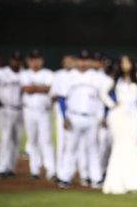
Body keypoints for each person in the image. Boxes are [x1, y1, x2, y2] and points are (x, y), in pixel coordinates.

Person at [57, 50, 104, 189]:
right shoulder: (69, 77)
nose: (83, 62)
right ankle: (65, 178)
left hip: (92, 117)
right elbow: (62, 98)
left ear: (89, 61)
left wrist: (102, 116)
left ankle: (97, 178)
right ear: (76, 61)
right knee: (71, 149)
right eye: (81, 59)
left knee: (93, 149)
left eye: (86, 59)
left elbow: (104, 96)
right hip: (74, 116)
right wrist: (65, 116)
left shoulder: (97, 77)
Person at [100, 54, 137, 194]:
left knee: (132, 145)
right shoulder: (115, 79)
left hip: (133, 117)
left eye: (128, 62)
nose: (125, 65)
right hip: (118, 116)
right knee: (118, 146)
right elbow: (102, 92)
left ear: (132, 64)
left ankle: (133, 182)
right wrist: (112, 105)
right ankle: (116, 183)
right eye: (123, 63)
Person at [0, 51, 23, 178]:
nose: (16, 62)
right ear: (10, 60)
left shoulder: (24, 74)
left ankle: (11, 168)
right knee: (5, 139)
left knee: (16, 140)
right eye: (14, 59)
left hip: (20, 110)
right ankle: (1, 168)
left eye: (18, 60)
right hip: (5, 109)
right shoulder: (1, 73)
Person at [20, 50, 56, 180]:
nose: (35, 61)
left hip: (44, 112)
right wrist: (41, 88)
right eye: (32, 59)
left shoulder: (49, 73)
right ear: (28, 61)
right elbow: (27, 89)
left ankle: (51, 169)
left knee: (46, 141)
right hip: (29, 111)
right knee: (33, 140)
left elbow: (49, 88)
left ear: (42, 60)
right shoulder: (24, 74)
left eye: (37, 59)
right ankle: (34, 170)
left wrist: (35, 88)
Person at [49, 54, 76, 183]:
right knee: (62, 143)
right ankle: (60, 172)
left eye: (71, 61)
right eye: (66, 61)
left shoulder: (77, 75)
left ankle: (71, 171)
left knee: (74, 144)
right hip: (61, 113)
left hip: (76, 114)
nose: (68, 63)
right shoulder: (58, 75)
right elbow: (53, 95)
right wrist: (62, 96)